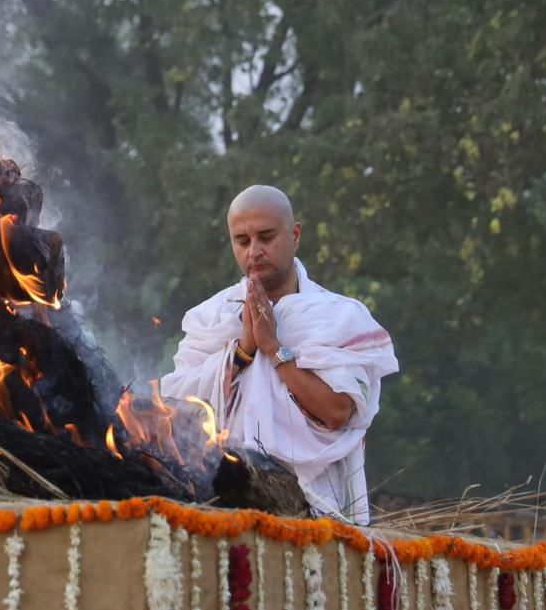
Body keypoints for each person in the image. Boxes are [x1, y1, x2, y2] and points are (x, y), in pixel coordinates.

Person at [160, 184, 399, 524]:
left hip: (319, 514)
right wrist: (242, 350)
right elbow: (174, 409)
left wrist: (273, 347)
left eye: (266, 237)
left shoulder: (338, 316)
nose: (254, 252)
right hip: (224, 509)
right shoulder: (213, 316)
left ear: (295, 234)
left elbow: (338, 412)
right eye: (242, 241)